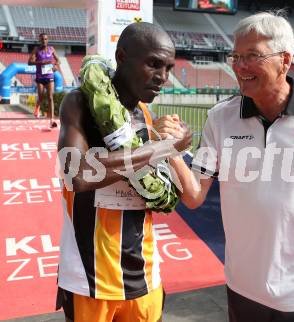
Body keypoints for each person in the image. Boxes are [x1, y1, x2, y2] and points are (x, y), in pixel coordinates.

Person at [168, 11, 294, 322]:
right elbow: (194, 197)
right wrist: (169, 150)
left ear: (285, 60)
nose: (239, 66)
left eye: (252, 56)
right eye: (235, 56)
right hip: (242, 285)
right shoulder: (220, 118)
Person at [56, 22, 191, 322]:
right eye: (153, 64)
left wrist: (173, 150)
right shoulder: (79, 103)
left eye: (168, 67)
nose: (163, 77)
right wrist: (165, 148)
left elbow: (167, 191)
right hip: (89, 278)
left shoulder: (145, 114)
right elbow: (76, 175)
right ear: (121, 57)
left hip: (144, 274)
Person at [28, 32, 60, 128]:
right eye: (42, 39)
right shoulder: (36, 50)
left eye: (45, 39)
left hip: (49, 75)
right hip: (40, 77)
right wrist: (40, 62)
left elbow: (58, 60)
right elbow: (29, 62)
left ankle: (52, 120)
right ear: (39, 40)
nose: (44, 41)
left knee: (50, 97)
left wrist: (55, 66)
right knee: (41, 96)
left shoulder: (51, 49)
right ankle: (37, 107)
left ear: (48, 40)